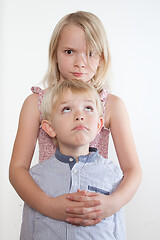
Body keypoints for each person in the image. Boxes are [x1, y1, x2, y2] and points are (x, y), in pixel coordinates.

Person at [9, 11, 142, 227]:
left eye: (90, 53)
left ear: (102, 59)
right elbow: (17, 169)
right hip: (46, 211)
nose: (80, 63)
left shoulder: (112, 106)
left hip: (93, 215)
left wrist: (112, 204)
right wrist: (48, 205)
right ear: (55, 55)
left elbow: (133, 170)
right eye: (70, 51)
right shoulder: (36, 104)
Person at [20, 79, 126, 240]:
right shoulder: (35, 178)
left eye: (88, 108)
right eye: (67, 109)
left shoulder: (113, 175)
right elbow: (28, 230)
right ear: (50, 128)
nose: (79, 116)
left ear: (98, 126)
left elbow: (119, 231)